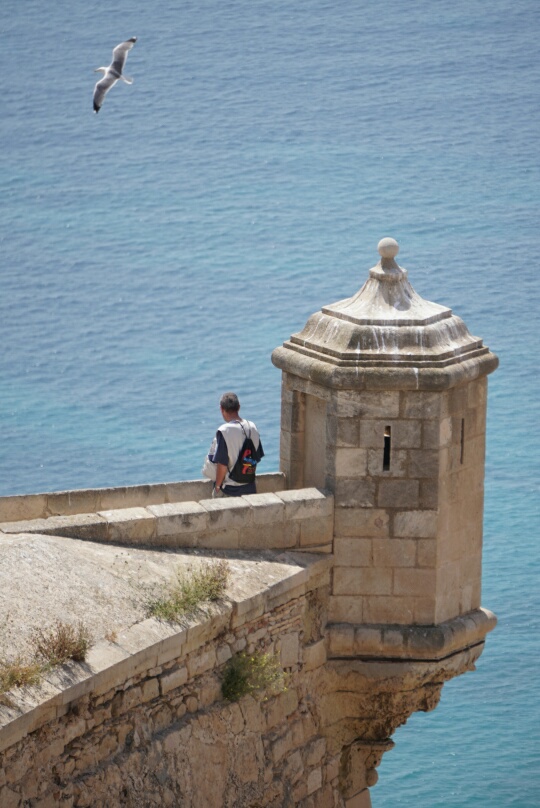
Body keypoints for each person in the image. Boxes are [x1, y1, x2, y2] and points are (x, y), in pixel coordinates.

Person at [211, 392, 264, 497]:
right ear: (238, 407)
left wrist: (217, 487)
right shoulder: (252, 427)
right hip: (250, 487)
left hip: (230, 490)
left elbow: (222, 464)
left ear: (221, 409)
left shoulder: (224, 431)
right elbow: (256, 457)